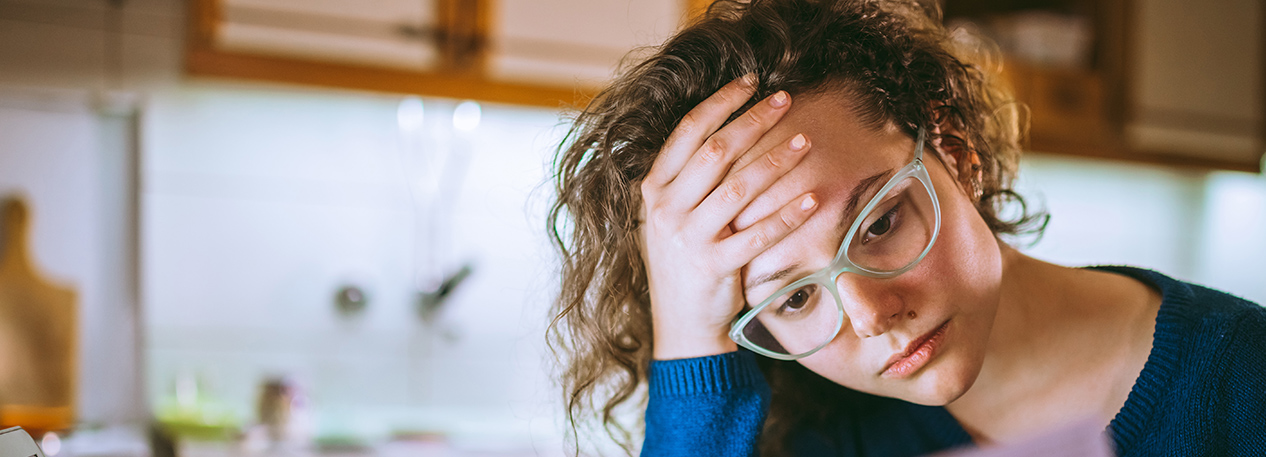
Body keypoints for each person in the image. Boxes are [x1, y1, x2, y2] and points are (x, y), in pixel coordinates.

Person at [546, 0, 1266, 456]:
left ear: (953, 148)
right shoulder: (821, 435)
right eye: (793, 298)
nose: (870, 315)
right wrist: (689, 344)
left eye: (880, 222)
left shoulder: (1245, 377)